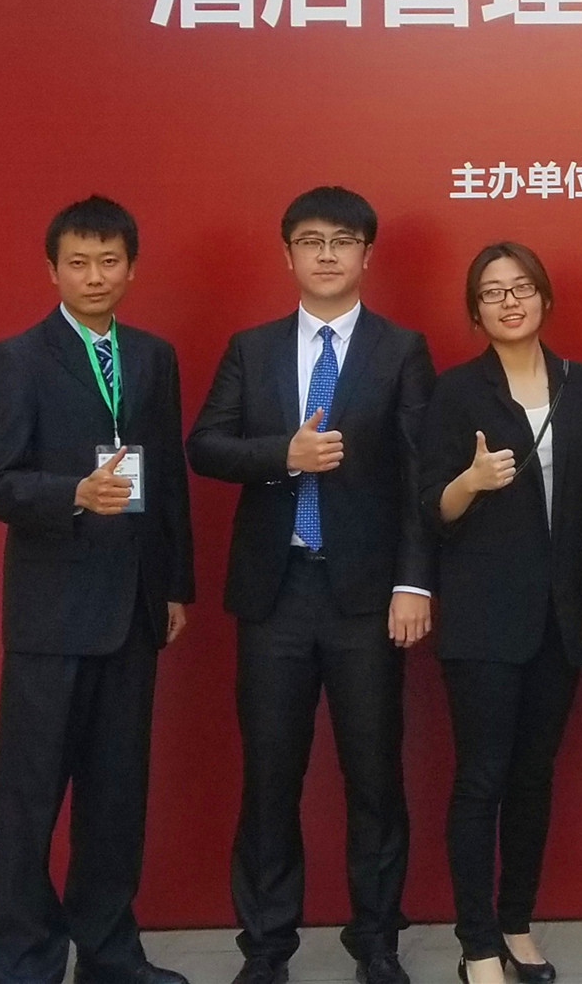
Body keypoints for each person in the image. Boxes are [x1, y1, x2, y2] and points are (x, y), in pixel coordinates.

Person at [185, 186, 435, 984]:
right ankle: (266, 949)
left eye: (343, 240)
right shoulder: (252, 348)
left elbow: (420, 476)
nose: (327, 254)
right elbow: (204, 444)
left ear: (367, 254)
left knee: (374, 776)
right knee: (269, 777)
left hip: (366, 596)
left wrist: (414, 582)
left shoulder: (402, 349)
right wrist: (281, 456)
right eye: (311, 240)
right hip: (276, 591)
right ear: (287, 253)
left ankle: (377, 942)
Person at [0, 195, 192, 984]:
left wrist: (174, 584)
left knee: (115, 797)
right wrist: (73, 492)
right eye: (78, 262)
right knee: (30, 798)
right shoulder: (17, 358)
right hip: (51, 613)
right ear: (53, 270)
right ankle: (25, 960)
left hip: (133, 607)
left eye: (109, 261)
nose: (95, 275)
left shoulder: (153, 356)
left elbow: (167, 481)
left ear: (131, 268)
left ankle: (110, 955)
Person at [419, 242, 582, 984]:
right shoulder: (455, 390)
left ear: (545, 298)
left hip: (562, 614)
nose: (509, 301)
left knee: (534, 776)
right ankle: (476, 945)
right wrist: (470, 481)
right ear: (475, 311)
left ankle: (516, 924)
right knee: (482, 778)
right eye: (493, 292)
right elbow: (432, 509)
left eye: (522, 287)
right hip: (482, 618)